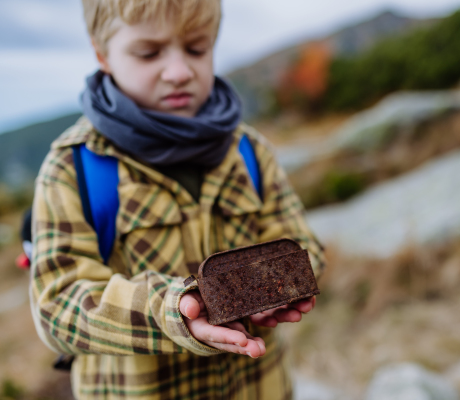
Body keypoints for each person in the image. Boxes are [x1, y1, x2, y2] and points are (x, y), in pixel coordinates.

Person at [29, 0, 325, 398]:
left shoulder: (248, 150)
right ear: (103, 55)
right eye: (149, 53)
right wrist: (176, 310)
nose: (180, 72)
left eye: (197, 49)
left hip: (261, 386)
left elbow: (304, 244)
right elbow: (57, 307)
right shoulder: (74, 169)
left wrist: (276, 287)